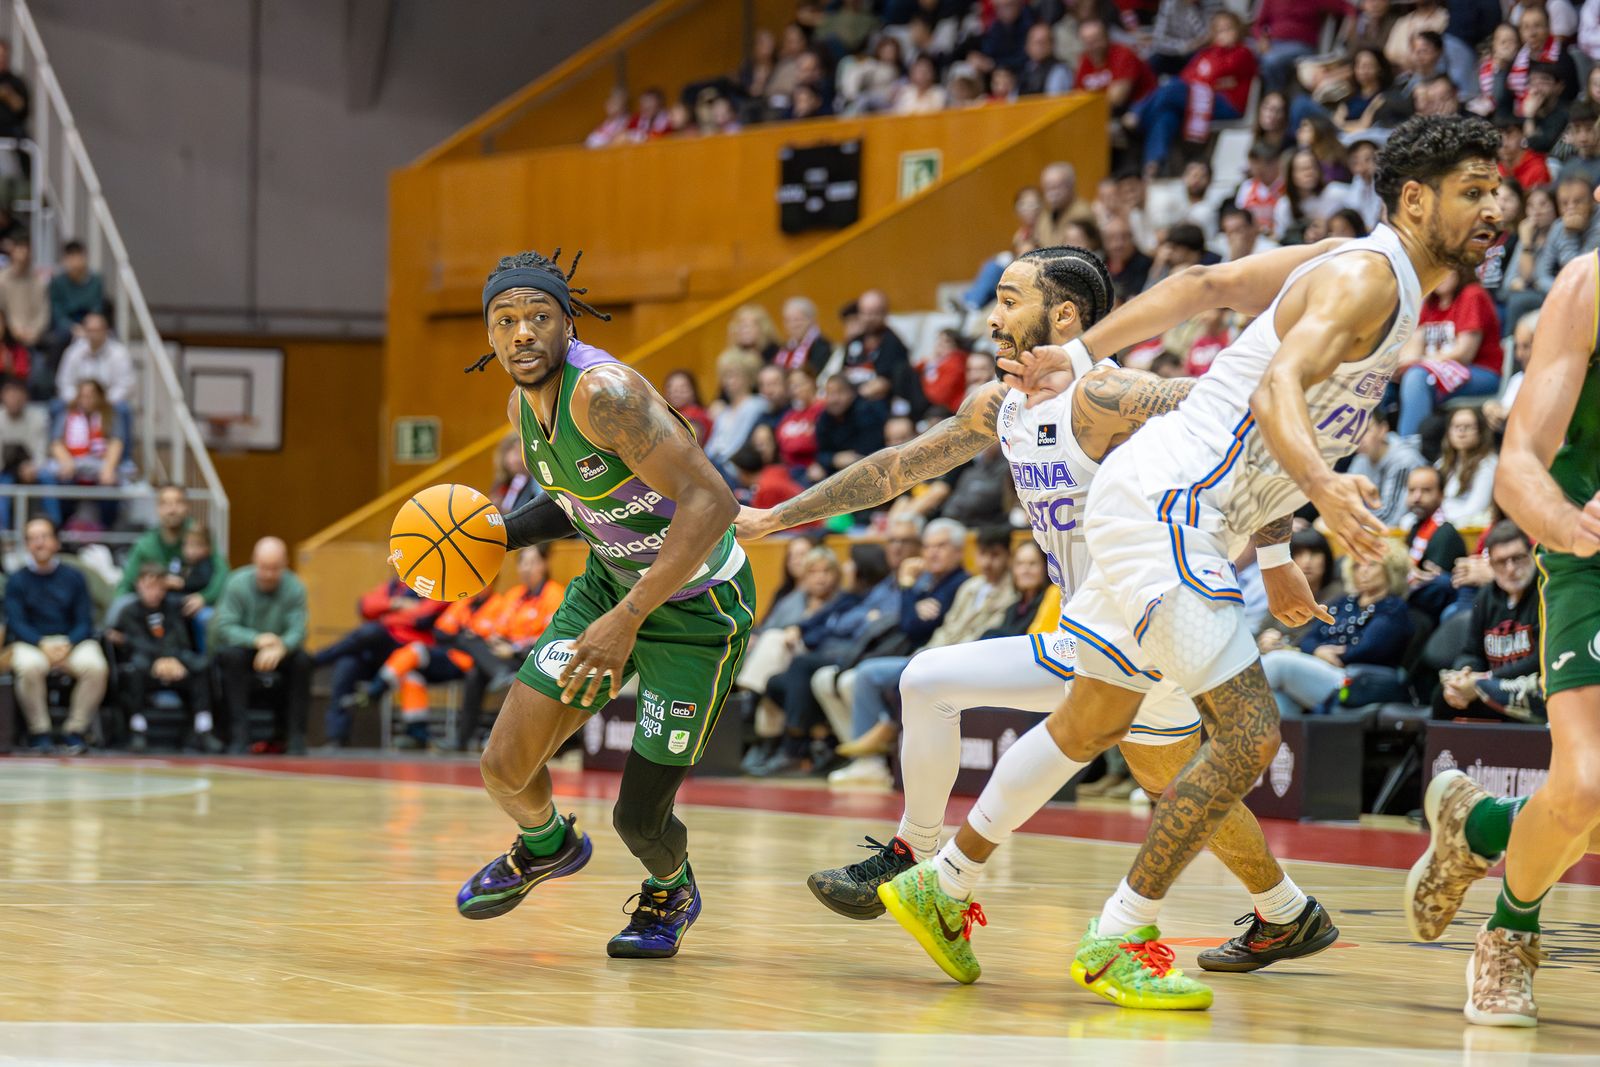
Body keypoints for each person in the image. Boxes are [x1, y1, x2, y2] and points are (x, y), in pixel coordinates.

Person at [917, 115, 1499, 1008]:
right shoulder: (1365, 277)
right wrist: (1321, 492)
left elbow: (1204, 283)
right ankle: (1119, 932)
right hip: (1172, 505)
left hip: (1158, 501)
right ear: (1415, 198)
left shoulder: (1350, 259)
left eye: (1499, 190)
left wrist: (1078, 352)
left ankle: (942, 880)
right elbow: (1273, 389)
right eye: (1474, 191)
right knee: (1248, 733)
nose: (1496, 208)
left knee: (1094, 717)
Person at [738, 243, 1349, 977]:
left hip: (1152, 611)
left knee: (943, 685)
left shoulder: (1108, 394)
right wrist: (780, 517)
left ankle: (928, 869)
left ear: (1063, 316)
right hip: (1095, 629)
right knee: (1169, 780)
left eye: (1007, 299)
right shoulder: (1001, 407)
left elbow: (1245, 424)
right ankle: (1286, 912)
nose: (991, 317)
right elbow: (894, 470)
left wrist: (1277, 558)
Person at [454, 249, 755, 960]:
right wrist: (495, 533)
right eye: (506, 321)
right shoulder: (521, 405)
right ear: (491, 338)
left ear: (567, 322)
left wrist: (627, 622)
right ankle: (548, 843)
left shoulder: (606, 392)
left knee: (640, 822)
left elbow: (712, 502)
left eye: (537, 316)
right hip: (609, 582)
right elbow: (579, 506)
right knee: (504, 766)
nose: (522, 332)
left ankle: (671, 888)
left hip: (696, 609)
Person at [1404, 237, 1600, 1026]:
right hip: (1588, 549)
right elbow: (1517, 464)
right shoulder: (1586, 286)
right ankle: (1510, 932)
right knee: (1587, 784)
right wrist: (1570, 526)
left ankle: (1478, 824)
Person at [1258, 541, 1414, 715]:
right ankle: (1283, 741)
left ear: (1391, 568)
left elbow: (1368, 649)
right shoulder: (1344, 602)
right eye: (1357, 565)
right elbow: (1307, 640)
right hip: (1322, 669)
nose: (1363, 570)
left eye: (1372, 564)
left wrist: (1327, 654)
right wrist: (1318, 651)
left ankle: (1228, 696)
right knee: (1278, 698)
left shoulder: (1392, 608)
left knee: (1279, 662)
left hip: (1356, 680)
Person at [3, 517, 108, 754]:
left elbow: (85, 620)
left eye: (44, 537)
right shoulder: (17, 580)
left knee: (95, 666)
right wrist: (41, 643)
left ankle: (75, 730)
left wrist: (69, 644)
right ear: (27, 544)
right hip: (32, 642)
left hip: (70, 641)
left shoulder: (75, 577)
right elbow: (16, 622)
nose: (39, 543)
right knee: (29, 666)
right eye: (33, 538)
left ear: (56, 542)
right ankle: (40, 732)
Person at [1430, 520, 1541, 722]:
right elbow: (1471, 652)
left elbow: (1539, 661)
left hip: (1530, 688)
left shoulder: (1544, 593)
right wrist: (1463, 674)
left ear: (1532, 555)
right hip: (1491, 684)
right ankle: (1440, 754)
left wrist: (1483, 681)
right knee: (1445, 694)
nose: (1510, 569)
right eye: (1502, 562)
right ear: (1491, 565)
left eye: (1517, 558)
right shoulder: (1485, 597)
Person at [211, 536, 311, 755]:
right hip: (245, 649)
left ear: (285, 564)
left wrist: (282, 646)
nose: (268, 574)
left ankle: (294, 738)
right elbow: (225, 627)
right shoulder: (236, 582)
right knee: (230, 656)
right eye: (264, 567)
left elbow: (299, 629)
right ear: (254, 561)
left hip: (279, 651)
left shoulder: (295, 587)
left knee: (303, 660)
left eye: (275, 568)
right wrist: (256, 639)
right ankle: (239, 736)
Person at [113, 564, 218, 753]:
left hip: (175, 660)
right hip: (146, 663)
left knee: (202, 667)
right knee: (133, 669)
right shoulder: (128, 611)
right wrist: (159, 659)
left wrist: (171, 658)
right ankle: (137, 729)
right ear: (138, 585)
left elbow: (179, 638)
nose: (153, 592)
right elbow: (135, 641)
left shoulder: (175, 607)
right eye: (148, 586)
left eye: (158, 586)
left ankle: (203, 728)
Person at [1396, 267, 1503, 436]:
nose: (1440, 277)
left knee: (1417, 376)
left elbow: (1464, 353)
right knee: (1387, 379)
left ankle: (1410, 447)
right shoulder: (1430, 303)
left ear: (1460, 269)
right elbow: (1413, 350)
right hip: (1434, 369)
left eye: (1446, 270)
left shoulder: (1472, 294)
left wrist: (1422, 362)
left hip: (1480, 372)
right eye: (1436, 271)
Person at [113, 484, 229, 626]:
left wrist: (204, 597)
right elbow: (126, 583)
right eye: (166, 504)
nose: (172, 509)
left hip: (191, 600)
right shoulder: (146, 543)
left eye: (178, 502)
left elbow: (222, 572)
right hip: (154, 603)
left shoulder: (198, 535)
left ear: (187, 507)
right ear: (158, 509)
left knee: (208, 618)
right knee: (121, 606)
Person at [1437, 405, 1499, 525]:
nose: (1461, 432)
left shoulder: (1488, 464)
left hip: (1469, 528)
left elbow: (1475, 510)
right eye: (1456, 427)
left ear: (1481, 432)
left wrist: (1438, 519)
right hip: (1443, 524)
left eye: (1468, 427)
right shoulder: (1443, 463)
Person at [0, 373, 46, 529]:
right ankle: (4, 537)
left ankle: (54, 528)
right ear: (3, 396)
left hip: (31, 470)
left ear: (25, 396)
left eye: (17, 393)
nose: (14, 398)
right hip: (4, 471)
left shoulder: (38, 417)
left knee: (49, 479)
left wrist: (33, 467)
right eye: (10, 393)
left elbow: (41, 451)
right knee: (3, 488)